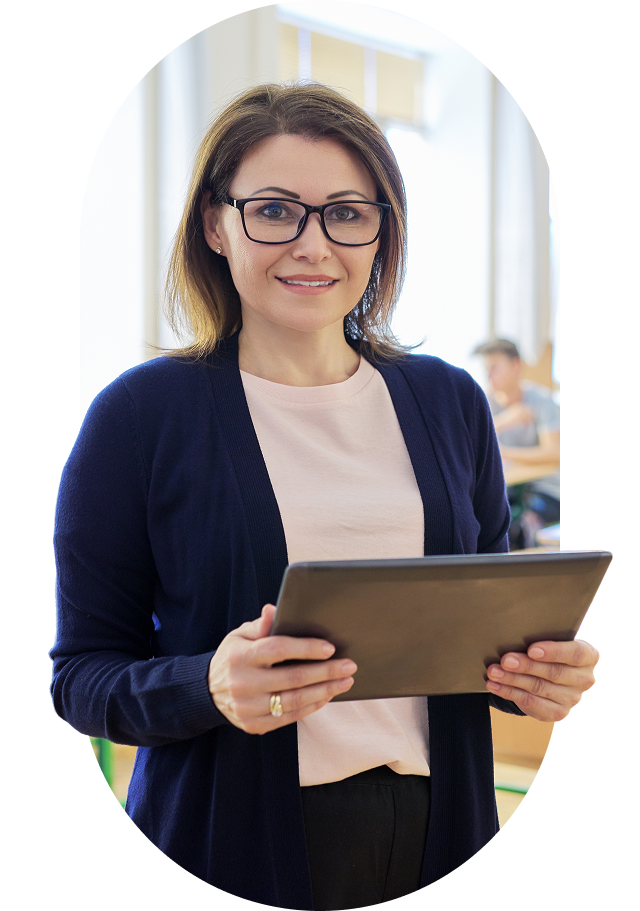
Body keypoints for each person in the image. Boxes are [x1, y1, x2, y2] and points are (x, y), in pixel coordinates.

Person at [53, 83, 598, 910]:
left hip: (442, 823)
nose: (313, 244)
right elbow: (81, 676)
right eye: (275, 210)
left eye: (347, 212)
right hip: (229, 836)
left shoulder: (449, 401)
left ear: (382, 230)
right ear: (215, 225)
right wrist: (210, 684)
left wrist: (529, 675)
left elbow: (467, 631)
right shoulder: (138, 416)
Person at [473, 339, 560, 549]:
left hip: (546, 490)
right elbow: (469, 444)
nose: (489, 376)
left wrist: (505, 453)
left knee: (521, 527)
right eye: (486, 369)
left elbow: (554, 453)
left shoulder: (542, 402)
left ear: (516, 366)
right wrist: (504, 422)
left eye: (494, 368)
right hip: (505, 490)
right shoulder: (483, 403)